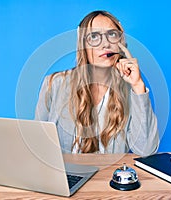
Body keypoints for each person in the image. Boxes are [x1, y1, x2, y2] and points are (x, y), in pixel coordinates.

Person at [35, 10, 159, 156]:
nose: (106, 44)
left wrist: (138, 86)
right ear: (83, 46)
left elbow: (146, 150)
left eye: (112, 35)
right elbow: (38, 145)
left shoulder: (131, 91)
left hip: (108, 177)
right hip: (65, 176)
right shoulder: (54, 84)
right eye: (94, 36)